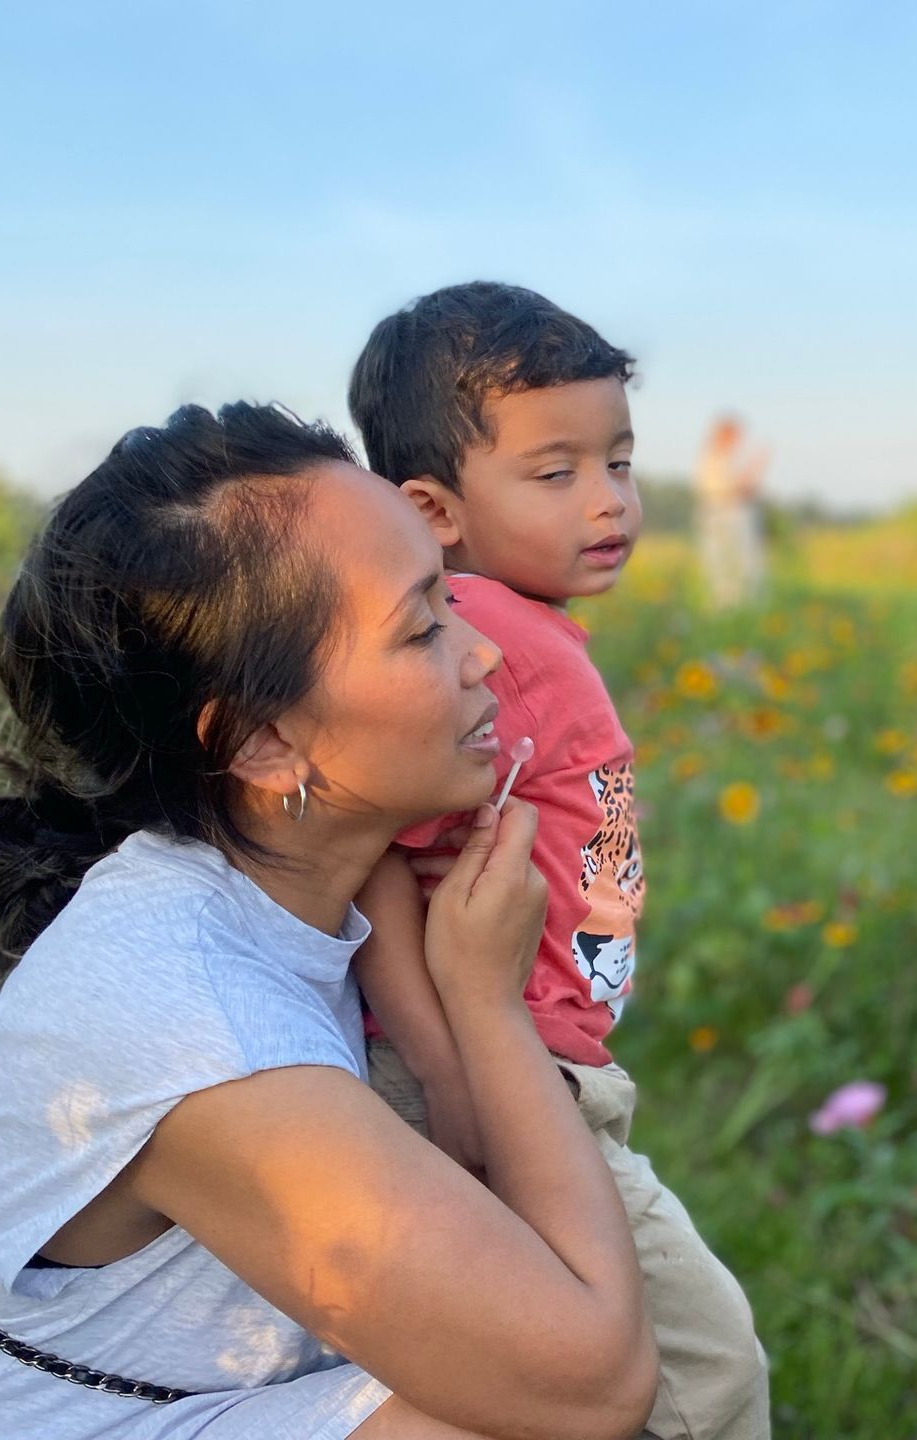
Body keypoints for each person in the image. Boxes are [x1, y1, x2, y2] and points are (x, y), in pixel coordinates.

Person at [0, 402, 657, 1439]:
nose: (486, 658)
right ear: (265, 746)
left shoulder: (309, 882)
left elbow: (485, 1214)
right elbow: (591, 1386)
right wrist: (486, 1003)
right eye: (422, 628)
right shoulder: (196, 1024)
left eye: (453, 600)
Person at [346, 282, 770, 1439]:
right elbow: (372, 859)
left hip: (536, 1064)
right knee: (704, 1370)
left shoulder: (511, 624)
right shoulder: (475, 637)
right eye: (556, 472)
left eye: (620, 463)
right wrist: (447, 1073)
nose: (609, 503)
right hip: (504, 1078)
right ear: (429, 506)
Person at [692, 415, 769, 610]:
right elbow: (727, 491)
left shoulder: (728, 459)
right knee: (722, 571)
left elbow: (747, 491)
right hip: (722, 519)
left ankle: (743, 610)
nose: (738, 441)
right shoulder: (712, 459)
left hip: (735, 519)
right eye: (735, 436)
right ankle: (726, 612)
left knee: (745, 569)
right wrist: (754, 469)